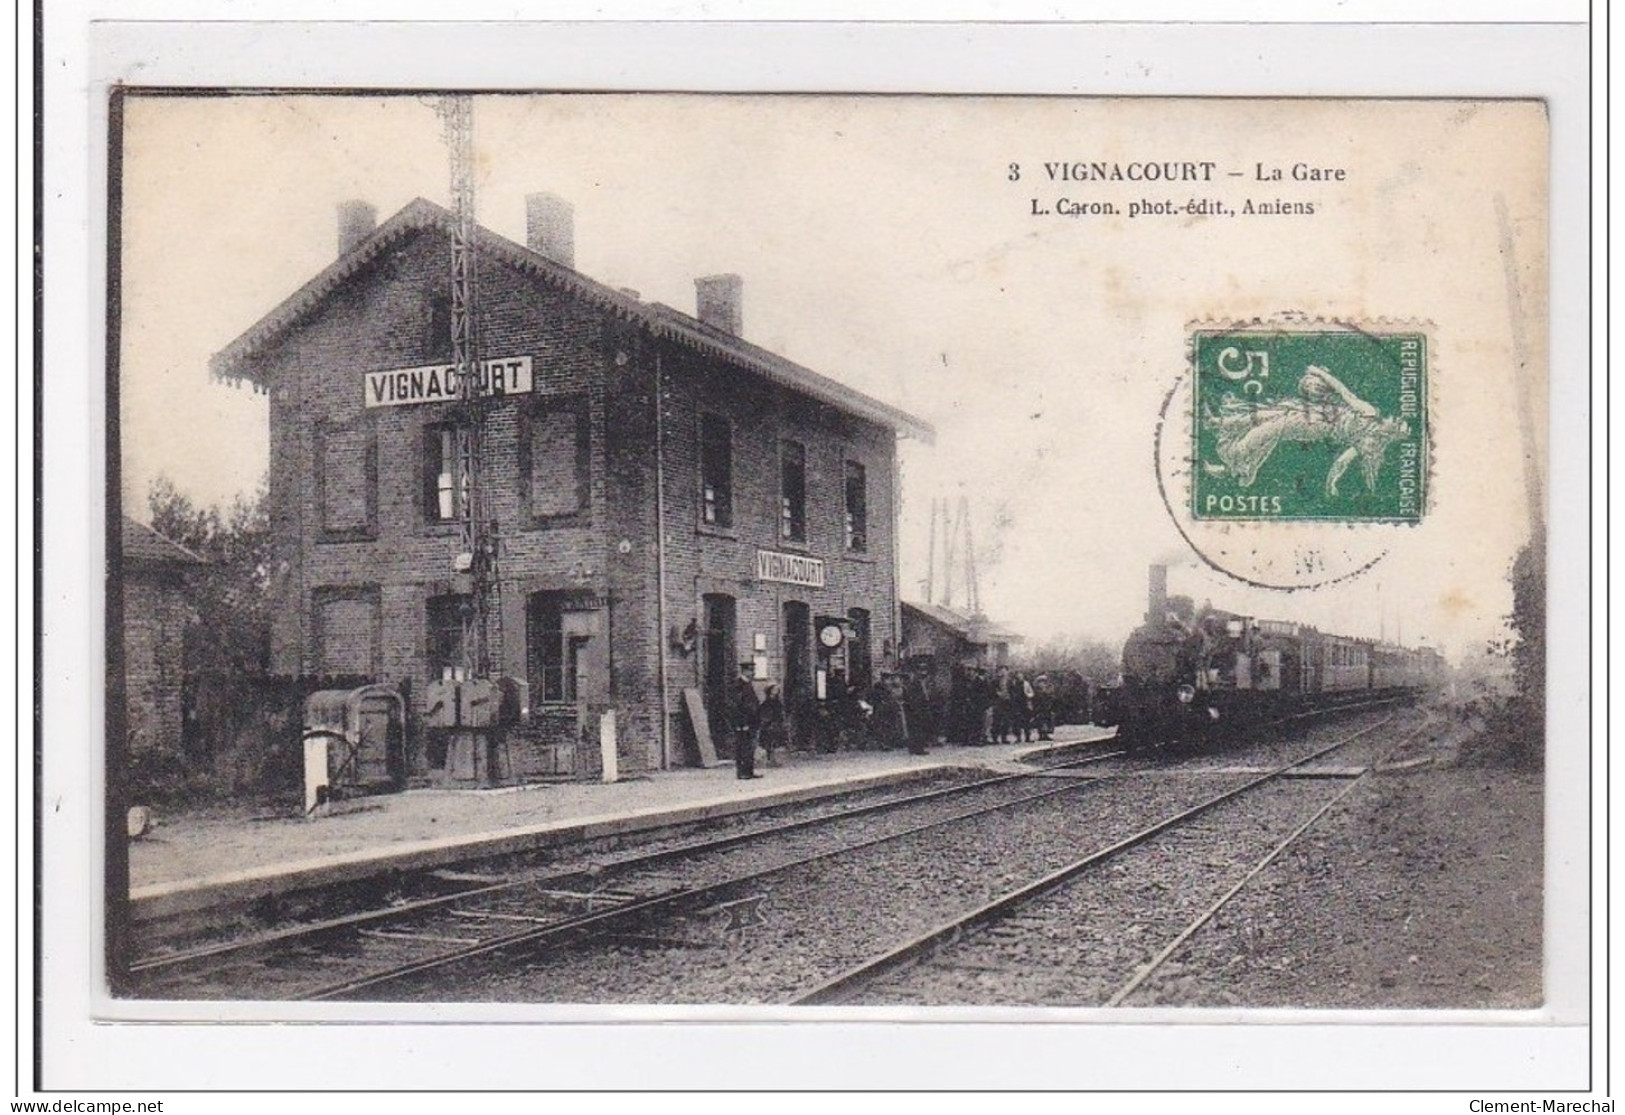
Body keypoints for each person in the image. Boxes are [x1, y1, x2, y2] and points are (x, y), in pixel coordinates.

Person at [728, 662, 762, 779]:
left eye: (753, 670)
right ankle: (742, 772)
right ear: (744, 671)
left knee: (750, 747)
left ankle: (749, 771)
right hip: (743, 723)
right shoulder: (738, 685)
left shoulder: (748, 684)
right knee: (742, 747)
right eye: (751, 670)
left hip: (751, 722)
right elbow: (738, 706)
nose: (753, 673)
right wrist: (742, 723)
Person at [757, 683, 787, 767]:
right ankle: (769, 759)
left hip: (776, 724)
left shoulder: (777, 702)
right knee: (768, 743)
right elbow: (765, 713)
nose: (776, 691)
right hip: (769, 725)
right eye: (774, 690)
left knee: (775, 743)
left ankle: (773, 759)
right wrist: (767, 721)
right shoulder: (767, 702)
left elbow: (780, 712)